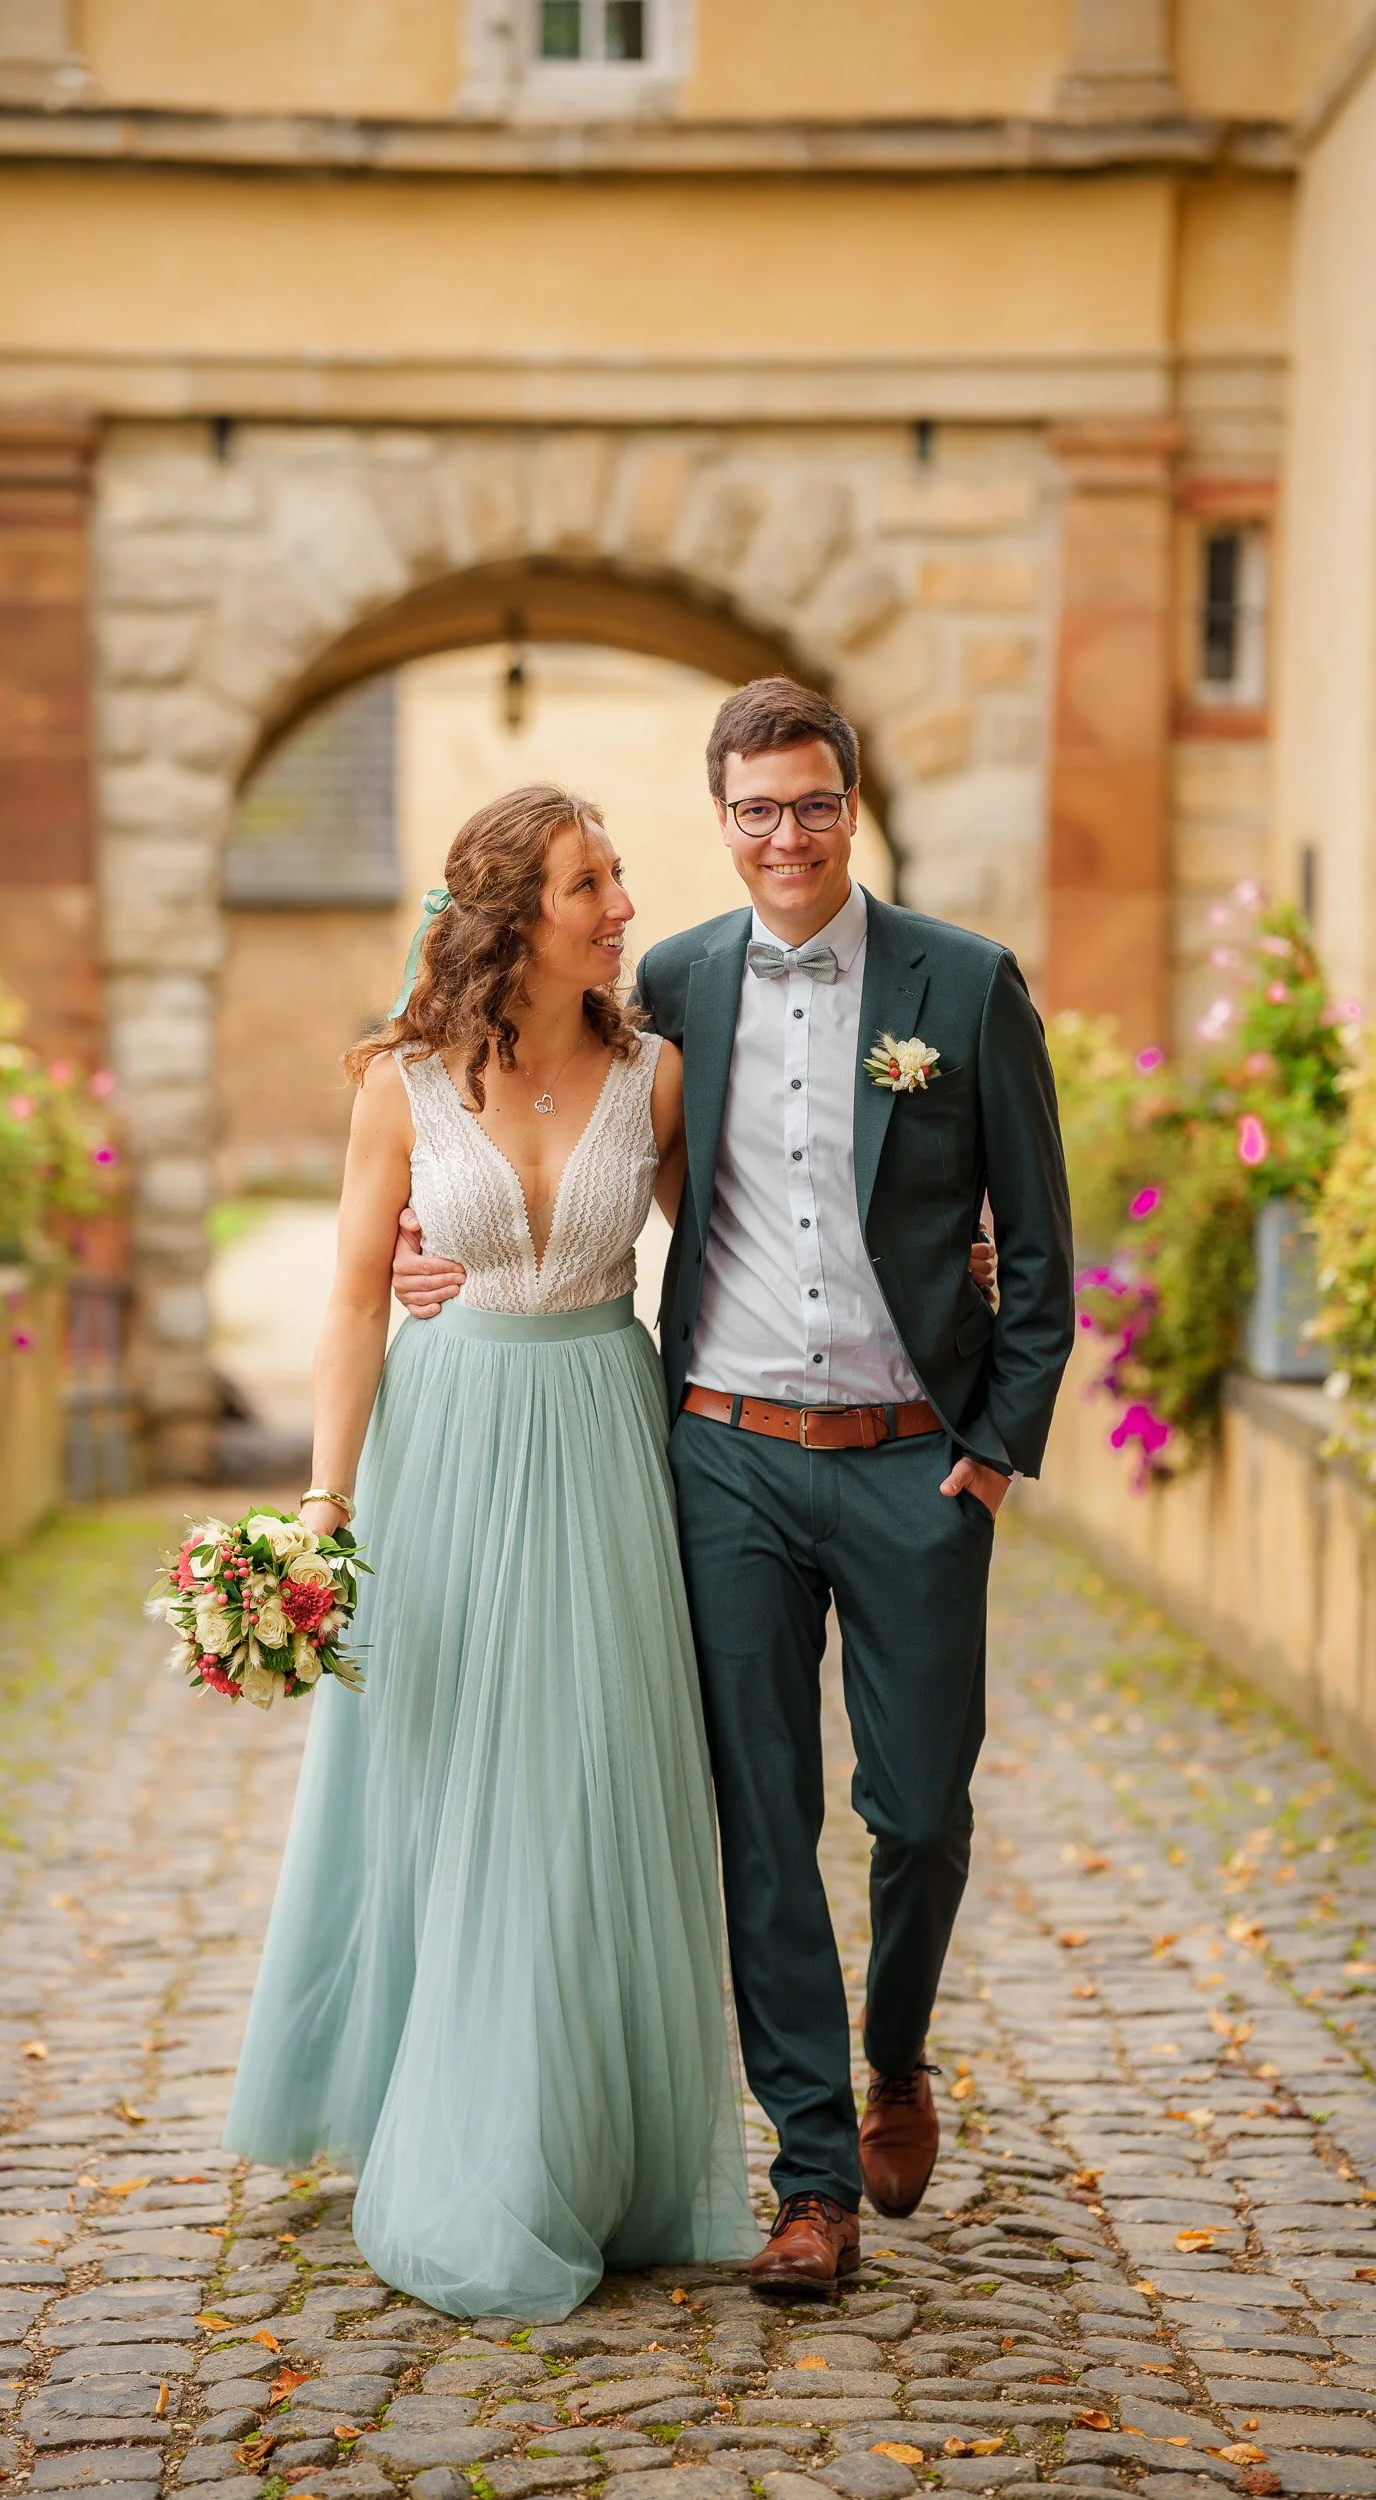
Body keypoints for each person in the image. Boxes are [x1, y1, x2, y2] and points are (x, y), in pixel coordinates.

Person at [394, 678, 1074, 2300]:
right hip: (722, 1457)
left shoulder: (964, 988)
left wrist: (990, 1454)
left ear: (852, 809)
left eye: (813, 802)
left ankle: (896, 2048)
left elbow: (1040, 1250)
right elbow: (507, 1089)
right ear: (723, 818)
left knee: (916, 1811)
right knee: (759, 1823)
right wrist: (440, 1243)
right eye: (756, 808)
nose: (786, 833)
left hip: (917, 1462)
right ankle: (811, 2176)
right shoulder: (674, 982)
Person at [223, 782, 757, 2320]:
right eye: (592, 882)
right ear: (516, 914)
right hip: (442, 1452)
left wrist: (950, 1245)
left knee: (579, 1786)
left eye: (617, 878)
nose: (621, 905)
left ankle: (572, 2143)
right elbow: (345, 1298)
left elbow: (744, 1236)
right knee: (449, 1779)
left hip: (599, 1440)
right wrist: (324, 1506)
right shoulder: (401, 1083)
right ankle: (448, 2120)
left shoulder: (654, 1073)